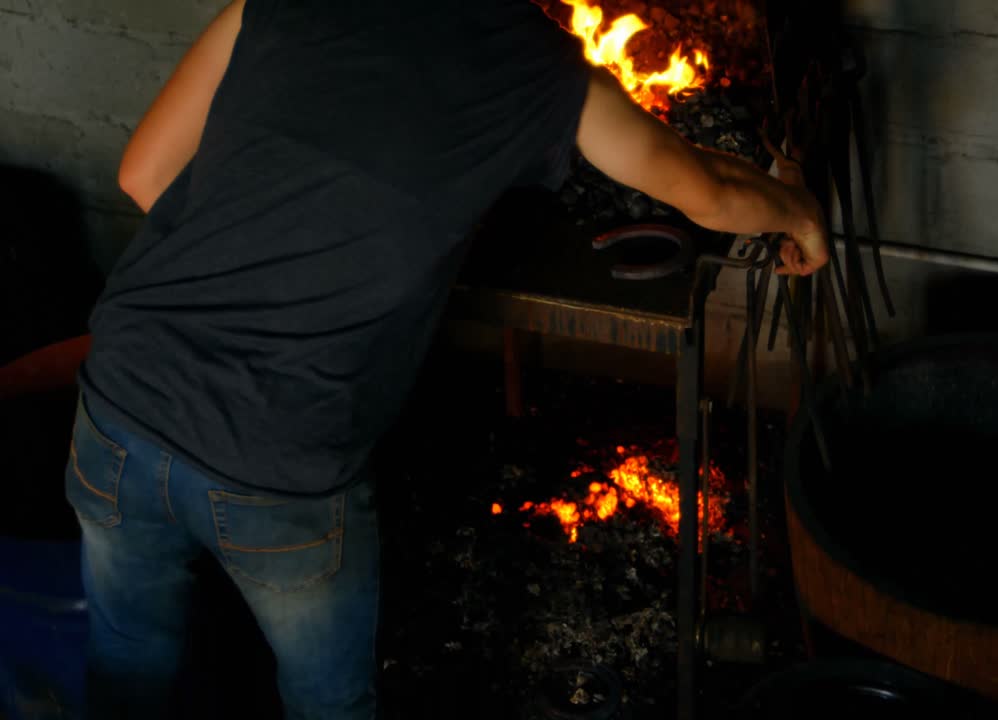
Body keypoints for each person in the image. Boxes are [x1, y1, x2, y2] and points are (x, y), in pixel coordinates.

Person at [65, 0, 829, 717]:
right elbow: (706, 196)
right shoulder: (540, 67)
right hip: (282, 456)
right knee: (328, 704)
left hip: (118, 401)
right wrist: (792, 208)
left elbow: (144, 177)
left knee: (128, 671)